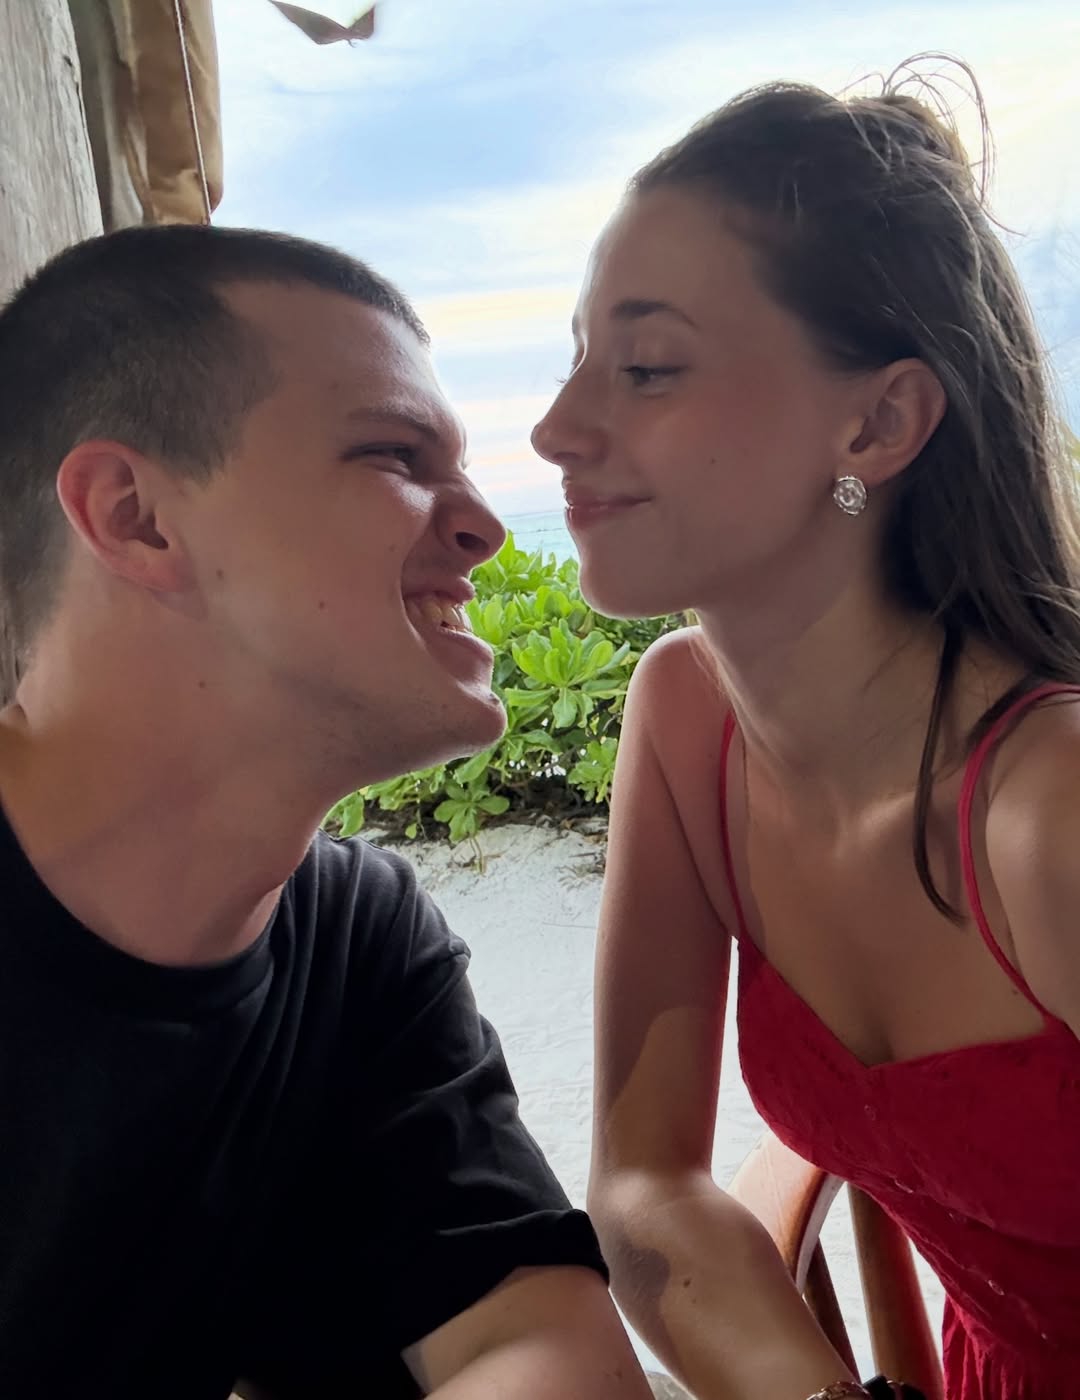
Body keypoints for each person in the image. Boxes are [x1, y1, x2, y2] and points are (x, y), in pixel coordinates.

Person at [0, 225, 653, 1400]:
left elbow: (537, 1339)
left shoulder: (356, 939)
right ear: (136, 514)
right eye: (396, 454)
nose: (484, 525)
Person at [531, 66, 1080, 1400]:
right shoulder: (687, 720)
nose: (555, 430)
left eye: (646, 367)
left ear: (877, 423)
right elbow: (645, 1180)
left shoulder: (1049, 810)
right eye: (577, 358)